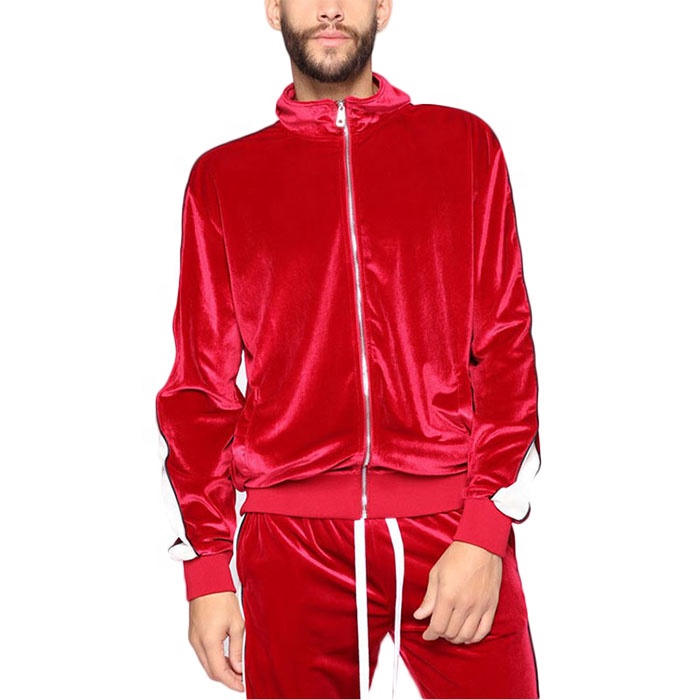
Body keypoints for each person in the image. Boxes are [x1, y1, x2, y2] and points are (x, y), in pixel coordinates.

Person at [155, 1, 541, 698]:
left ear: (382, 8)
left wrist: (485, 529)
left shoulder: (464, 146)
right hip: (290, 544)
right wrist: (207, 570)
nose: (330, 7)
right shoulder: (223, 178)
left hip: (451, 528)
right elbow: (198, 392)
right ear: (274, 8)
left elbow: (506, 348)